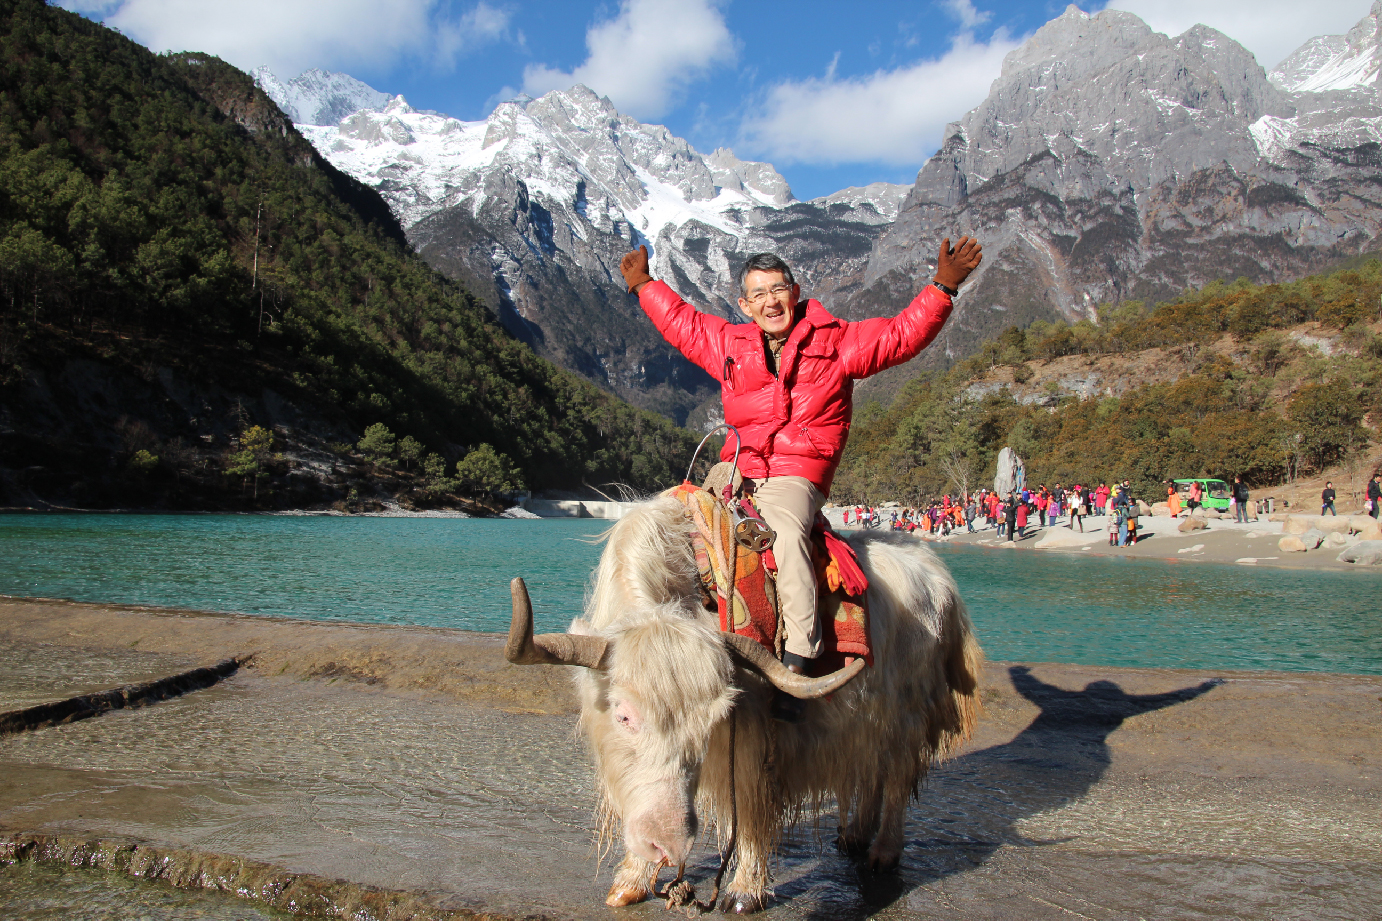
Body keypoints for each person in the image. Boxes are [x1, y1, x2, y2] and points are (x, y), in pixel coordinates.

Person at [619, 236, 983, 719]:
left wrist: (943, 286)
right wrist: (645, 285)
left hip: (796, 473)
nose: (771, 301)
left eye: (778, 289)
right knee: (662, 524)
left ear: (794, 292)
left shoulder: (838, 342)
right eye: (759, 294)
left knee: (786, 536)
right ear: (745, 305)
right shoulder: (729, 344)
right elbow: (682, 324)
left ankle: (799, 661)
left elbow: (900, 336)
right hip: (735, 470)